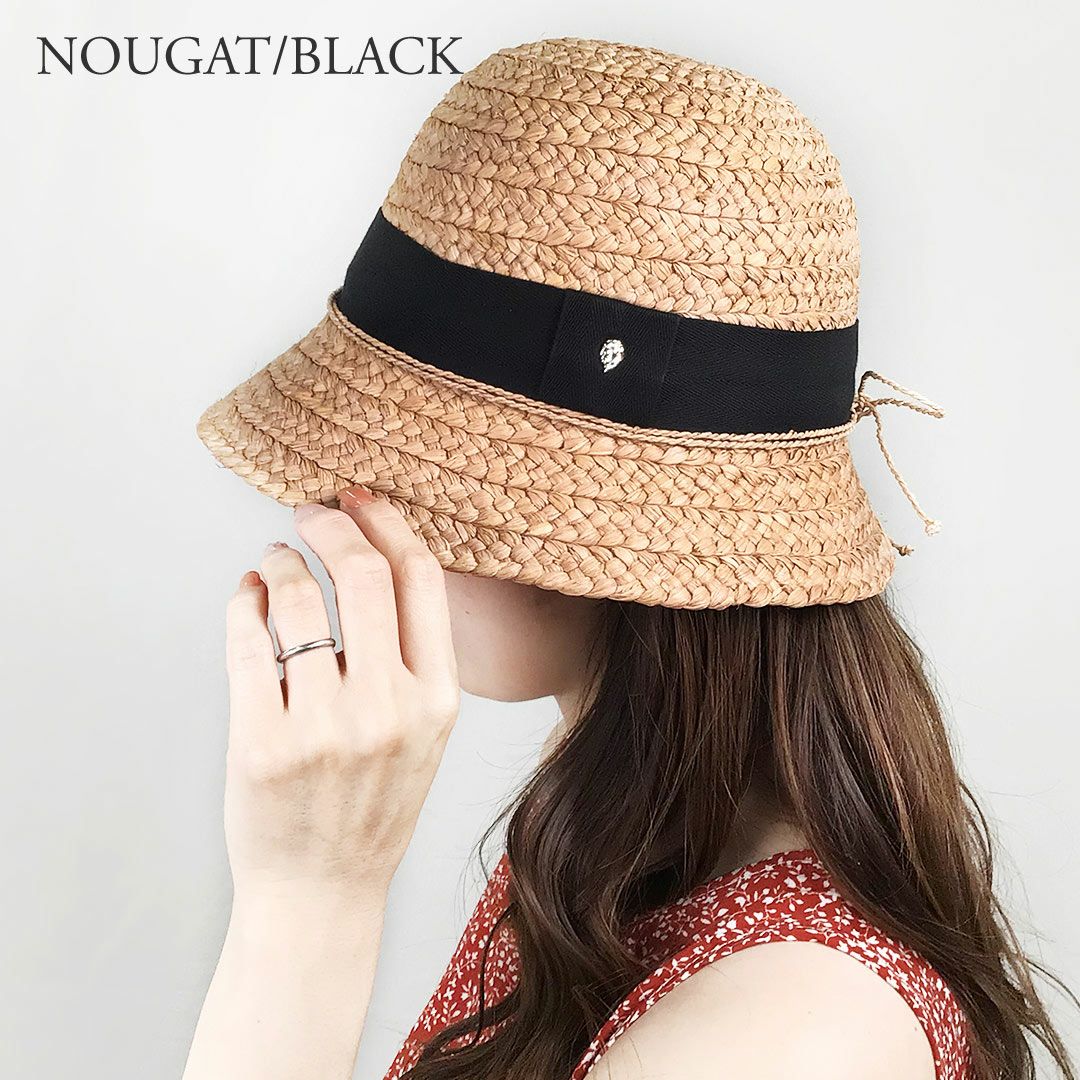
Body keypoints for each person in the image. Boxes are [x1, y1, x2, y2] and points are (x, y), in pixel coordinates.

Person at [183, 37, 1076, 1080]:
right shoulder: (624, 848)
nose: (330, 507)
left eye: (410, 471)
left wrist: (310, 900)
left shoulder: (790, 1032)